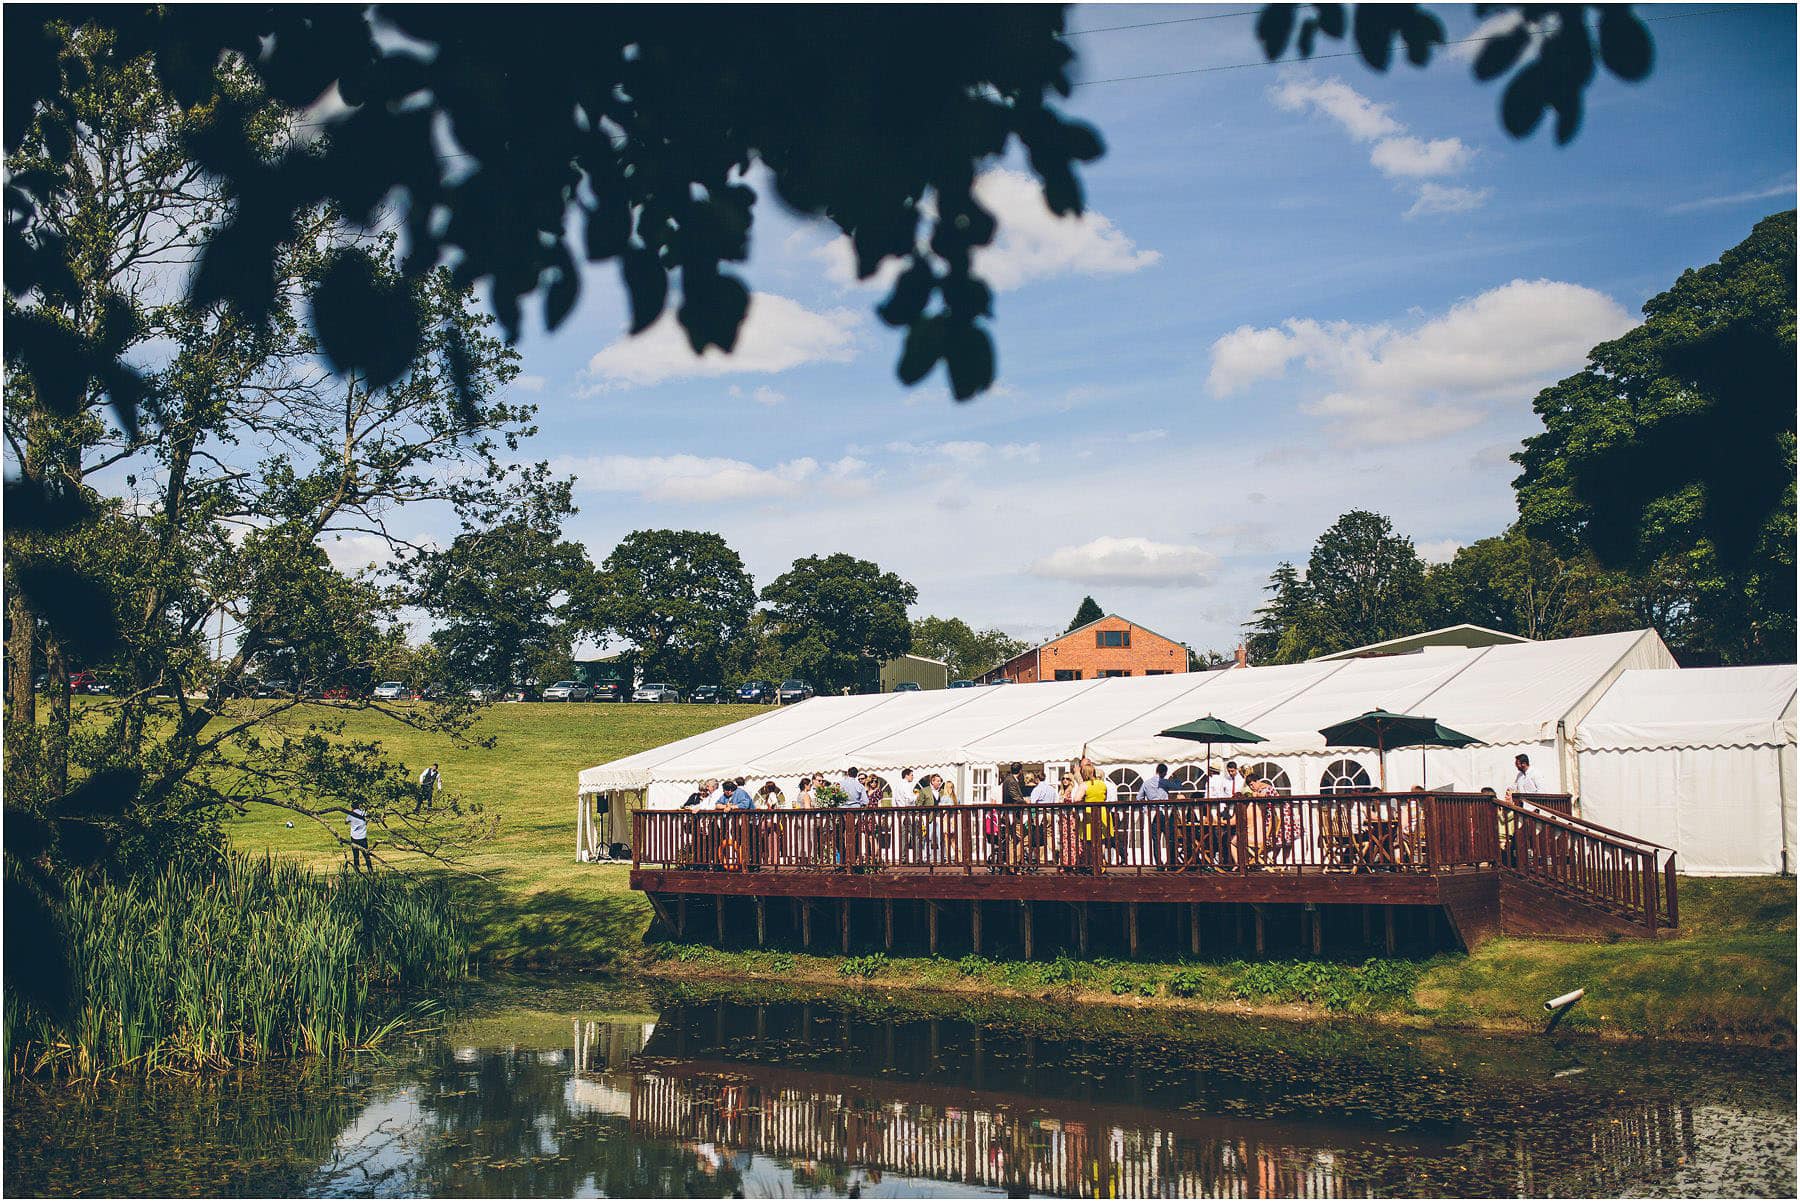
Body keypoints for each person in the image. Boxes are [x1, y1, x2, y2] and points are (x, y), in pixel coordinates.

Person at [347, 802, 372, 872]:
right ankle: (370, 870)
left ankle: (357, 869)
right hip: (362, 837)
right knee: (366, 855)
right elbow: (369, 816)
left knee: (355, 855)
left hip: (354, 837)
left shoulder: (351, 814)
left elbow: (346, 821)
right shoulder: (363, 813)